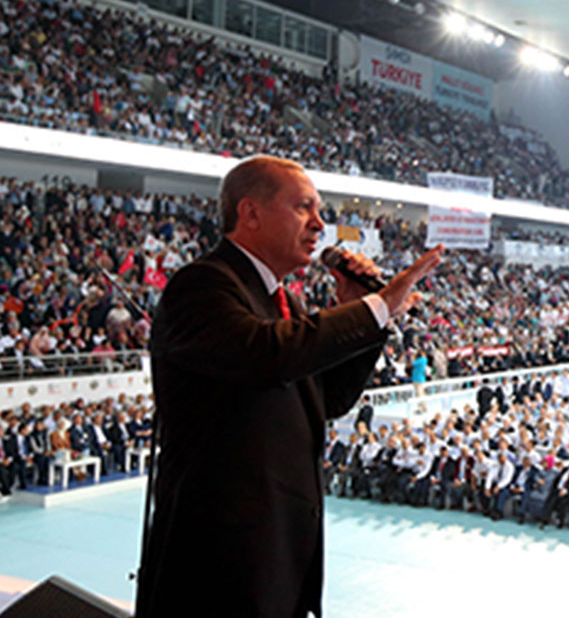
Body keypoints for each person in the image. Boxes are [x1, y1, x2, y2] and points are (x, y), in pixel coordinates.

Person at [137, 156, 443, 618]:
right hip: (218, 563)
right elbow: (266, 354)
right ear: (251, 213)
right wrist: (378, 306)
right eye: (304, 207)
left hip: (276, 554)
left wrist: (356, 312)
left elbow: (328, 399)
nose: (320, 224)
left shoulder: (286, 301)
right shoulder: (203, 286)